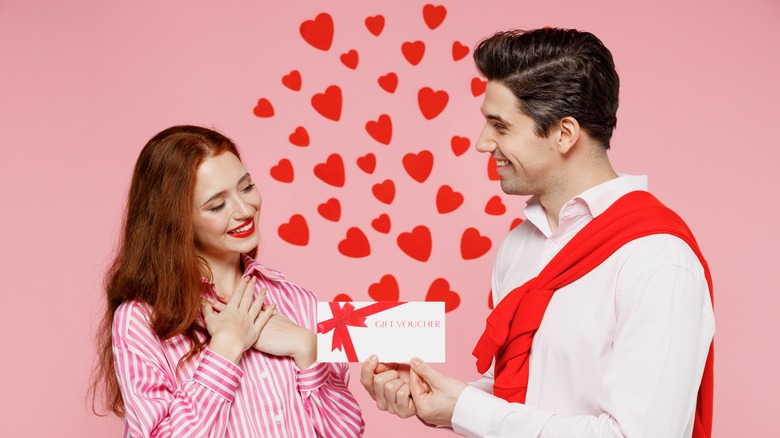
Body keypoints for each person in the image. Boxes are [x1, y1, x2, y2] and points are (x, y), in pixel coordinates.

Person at [361, 28, 714, 437]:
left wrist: (468, 409)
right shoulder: (520, 246)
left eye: (501, 126)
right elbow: (523, 398)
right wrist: (436, 398)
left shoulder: (657, 261)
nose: (482, 143)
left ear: (563, 134)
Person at [91, 125, 365, 437]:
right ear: (176, 220)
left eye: (246, 187)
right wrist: (225, 349)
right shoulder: (141, 322)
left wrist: (307, 348)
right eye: (217, 205)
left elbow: (348, 431)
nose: (245, 210)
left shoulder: (299, 302)